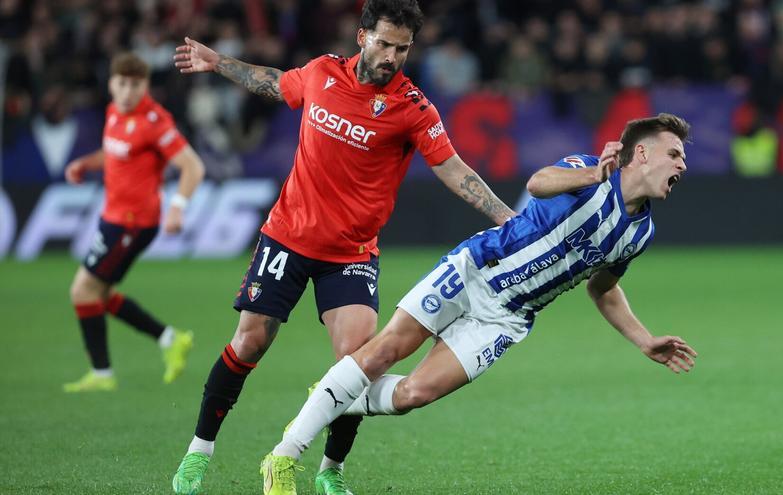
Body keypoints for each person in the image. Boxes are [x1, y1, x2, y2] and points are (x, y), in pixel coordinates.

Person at [170, 1, 515, 493]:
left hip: (350, 253)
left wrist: (507, 218)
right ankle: (197, 454)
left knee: (358, 359)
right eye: (385, 43)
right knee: (249, 342)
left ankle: (330, 470)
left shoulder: (414, 107)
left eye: (403, 48)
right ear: (362, 37)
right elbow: (273, 81)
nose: (393, 56)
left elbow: (454, 169)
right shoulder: (321, 74)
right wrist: (217, 62)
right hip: (287, 236)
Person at [262, 113, 699, 494]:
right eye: (674, 154)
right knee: (385, 350)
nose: (681, 164)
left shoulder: (640, 234)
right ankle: (284, 456)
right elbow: (538, 183)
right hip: (476, 269)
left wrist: (645, 341)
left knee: (415, 393)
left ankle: (330, 394)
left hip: (507, 318)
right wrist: (594, 176)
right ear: (640, 153)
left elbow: (602, 289)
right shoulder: (588, 170)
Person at [62, 52, 205, 392]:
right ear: (112, 84)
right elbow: (114, 153)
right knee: (101, 292)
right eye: (122, 84)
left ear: (145, 86)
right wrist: (86, 163)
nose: (127, 91)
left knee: (83, 290)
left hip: (132, 222)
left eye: (135, 84)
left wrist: (177, 207)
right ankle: (171, 339)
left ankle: (102, 374)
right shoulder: (114, 112)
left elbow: (193, 167)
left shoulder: (155, 121)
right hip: (112, 218)